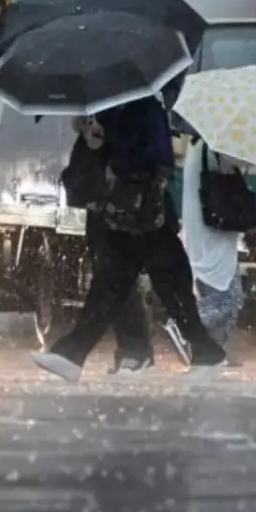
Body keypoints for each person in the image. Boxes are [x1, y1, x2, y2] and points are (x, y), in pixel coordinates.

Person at [32, 97, 226, 382]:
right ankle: (73, 354)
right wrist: (92, 137)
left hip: (143, 215)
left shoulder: (144, 108)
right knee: (122, 285)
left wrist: (105, 140)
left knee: (142, 285)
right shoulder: (114, 107)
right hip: (130, 217)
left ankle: (75, 353)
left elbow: (154, 158)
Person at [62, 116, 155, 374]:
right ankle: (132, 349)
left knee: (116, 280)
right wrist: (90, 140)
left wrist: (102, 140)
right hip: (101, 214)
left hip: (122, 211)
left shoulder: (131, 117)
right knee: (113, 279)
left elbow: (132, 163)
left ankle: (133, 350)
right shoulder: (95, 127)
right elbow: (81, 176)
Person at [163, 137, 246, 364]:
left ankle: (208, 353)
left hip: (206, 232)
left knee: (219, 296)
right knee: (229, 301)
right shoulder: (216, 147)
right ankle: (183, 324)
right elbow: (234, 166)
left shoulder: (198, 146)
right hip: (214, 234)